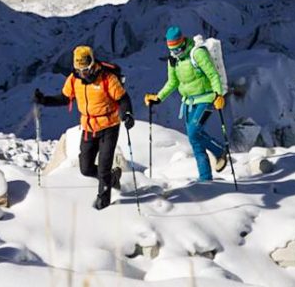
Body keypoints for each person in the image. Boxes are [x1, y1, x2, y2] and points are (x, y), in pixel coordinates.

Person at [33, 45, 135, 210]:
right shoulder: (74, 79)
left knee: (103, 167)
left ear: (92, 63)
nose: (83, 73)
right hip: (88, 127)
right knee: (86, 168)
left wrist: (127, 114)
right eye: (79, 69)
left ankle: (104, 203)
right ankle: (112, 178)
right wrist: (45, 100)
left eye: (86, 69)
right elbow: (65, 98)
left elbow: (123, 98)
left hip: (109, 126)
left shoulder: (107, 78)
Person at [144, 26, 228, 183]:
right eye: (173, 50)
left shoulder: (197, 53)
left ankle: (220, 151)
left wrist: (218, 95)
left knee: (194, 131)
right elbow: (173, 82)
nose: (176, 53)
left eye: (178, 49)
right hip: (189, 102)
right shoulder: (173, 60)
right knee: (194, 140)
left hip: (207, 98)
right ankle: (205, 179)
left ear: (183, 42)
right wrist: (159, 98)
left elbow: (212, 74)